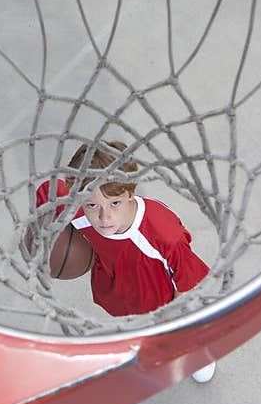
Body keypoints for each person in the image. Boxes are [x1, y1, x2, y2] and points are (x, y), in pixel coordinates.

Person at [36, 141, 216, 383]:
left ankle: (197, 349)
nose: (104, 217)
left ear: (130, 192)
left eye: (114, 203)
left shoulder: (163, 235)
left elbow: (188, 282)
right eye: (92, 205)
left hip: (159, 293)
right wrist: (38, 231)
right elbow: (48, 191)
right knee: (134, 322)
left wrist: (176, 313)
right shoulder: (75, 206)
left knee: (177, 326)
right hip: (117, 284)